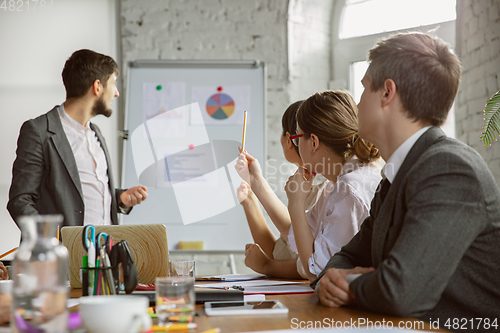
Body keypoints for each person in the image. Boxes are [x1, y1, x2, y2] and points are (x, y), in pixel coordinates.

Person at [312, 32, 500, 331]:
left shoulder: (450, 170)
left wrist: (348, 281)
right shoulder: (397, 174)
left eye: (363, 90)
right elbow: (346, 256)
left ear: (387, 93)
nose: (357, 103)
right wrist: (337, 277)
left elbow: (401, 291)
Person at [238, 91, 382, 280]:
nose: (295, 145)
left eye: (297, 139)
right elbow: (298, 238)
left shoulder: (349, 188)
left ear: (313, 142)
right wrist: (255, 180)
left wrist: (296, 204)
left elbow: (317, 272)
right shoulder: (335, 185)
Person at [8, 49, 148, 228]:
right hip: (63, 254)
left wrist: (119, 198)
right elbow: (20, 201)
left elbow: (81, 194)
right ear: (97, 87)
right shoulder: (39, 131)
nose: (116, 93)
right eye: (113, 84)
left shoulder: (95, 132)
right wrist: (53, 241)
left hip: (103, 252)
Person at [236, 101, 329, 279]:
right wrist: (249, 200)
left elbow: (309, 262)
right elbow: (281, 252)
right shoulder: (305, 186)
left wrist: (266, 265)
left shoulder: (323, 189)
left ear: (289, 140)